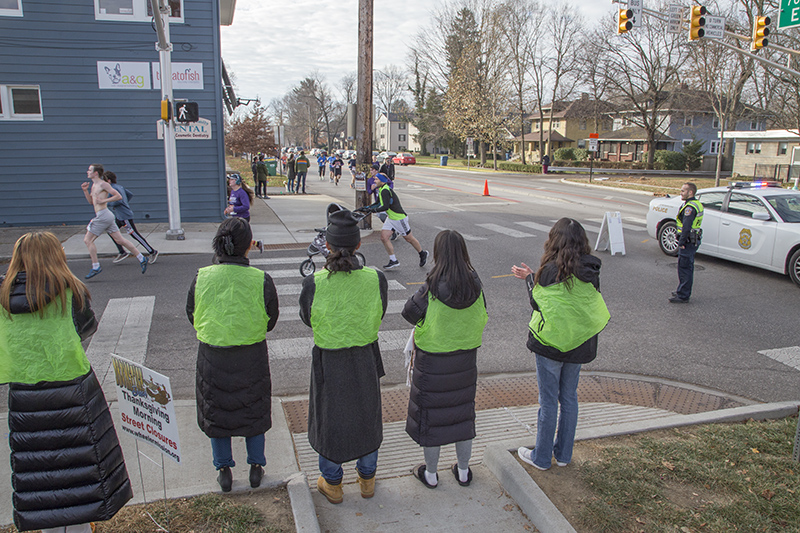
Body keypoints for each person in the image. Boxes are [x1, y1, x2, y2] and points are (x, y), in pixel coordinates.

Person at [0, 231, 133, 533]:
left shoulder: (4, 295)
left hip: (25, 394)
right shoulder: (71, 290)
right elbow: (86, 328)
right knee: (79, 470)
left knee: (40, 470)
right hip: (72, 391)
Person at [299, 205, 389, 504]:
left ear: (327, 245)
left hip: (329, 361)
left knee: (330, 419)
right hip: (364, 358)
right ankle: (367, 479)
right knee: (366, 415)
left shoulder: (314, 283)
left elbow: (306, 317)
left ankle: (333, 484)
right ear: (359, 244)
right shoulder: (376, 279)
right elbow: (381, 311)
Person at [186, 217, 279, 492]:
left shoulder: (201, 277)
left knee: (217, 413)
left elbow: (192, 313)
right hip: (251, 356)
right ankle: (256, 467)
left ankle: (223, 468)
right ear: (248, 247)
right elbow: (271, 319)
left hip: (212, 356)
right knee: (254, 411)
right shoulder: (261, 280)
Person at [511, 218, 610, 471]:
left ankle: (541, 458)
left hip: (550, 344)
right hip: (578, 344)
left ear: (554, 240)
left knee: (548, 401)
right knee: (569, 398)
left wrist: (530, 279)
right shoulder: (591, 271)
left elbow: (539, 303)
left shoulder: (549, 271)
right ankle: (564, 455)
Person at [403, 230, 488, 489]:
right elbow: (483, 313)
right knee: (463, 416)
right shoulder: (475, 282)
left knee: (432, 417)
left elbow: (409, 313)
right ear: (463, 251)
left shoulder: (432, 284)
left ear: (439, 253)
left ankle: (430, 474)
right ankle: (463, 471)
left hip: (432, 363)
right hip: (464, 361)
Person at [81, 163, 148, 279]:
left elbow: (118, 196)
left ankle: (96, 266)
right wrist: (85, 191)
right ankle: (142, 258)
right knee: (120, 240)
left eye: (89, 170)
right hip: (106, 216)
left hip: (103, 215)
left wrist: (104, 200)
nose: (87, 172)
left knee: (88, 240)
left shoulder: (103, 184)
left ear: (96, 173)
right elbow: (92, 202)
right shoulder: (93, 185)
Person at [360, 168, 428, 270]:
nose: (374, 181)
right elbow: (378, 203)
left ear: (382, 181)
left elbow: (385, 207)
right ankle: (393, 260)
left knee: (409, 238)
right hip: (391, 218)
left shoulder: (386, 191)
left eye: (376, 179)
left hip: (399, 218)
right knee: (384, 237)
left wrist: (372, 211)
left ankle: (422, 253)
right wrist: (366, 208)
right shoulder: (382, 189)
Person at [103, 171, 158, 265]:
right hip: (120, 216)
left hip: (125, 217)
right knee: (111, 231)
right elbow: (130, 194)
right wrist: (125, 203)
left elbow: (119, 200)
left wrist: (108, 203)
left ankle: (152, 251)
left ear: (108, 180)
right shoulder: (119, 187)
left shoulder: (113, 188)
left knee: (135, 235)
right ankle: (122, 252)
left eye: (104, 181)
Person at [670, 182, 703, 304]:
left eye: (683, 191)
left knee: (684, 269)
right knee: (686, 267)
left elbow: (686, 227)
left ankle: (683, 295)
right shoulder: (694, 204)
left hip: (688, 241)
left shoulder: (690, 208)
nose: (681, 192)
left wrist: (681, 242)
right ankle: (682, 290)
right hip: (692, 240)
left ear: (690, 192)